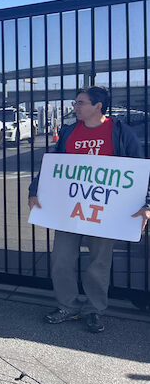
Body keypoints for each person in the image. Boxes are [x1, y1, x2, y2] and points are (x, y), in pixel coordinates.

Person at [29, 86, 150, 333]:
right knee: (61, 259)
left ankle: (94, 310)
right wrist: (35, 190)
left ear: (98, 106)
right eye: (76, 103)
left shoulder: (120, 132)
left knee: (99, 263)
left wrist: (146, 203)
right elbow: (54, 165)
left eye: (81, 103)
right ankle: (67, 305)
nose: (76, 107)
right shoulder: (69, 132)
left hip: (104, 213)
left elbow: (138, 171)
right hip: (70, 210)